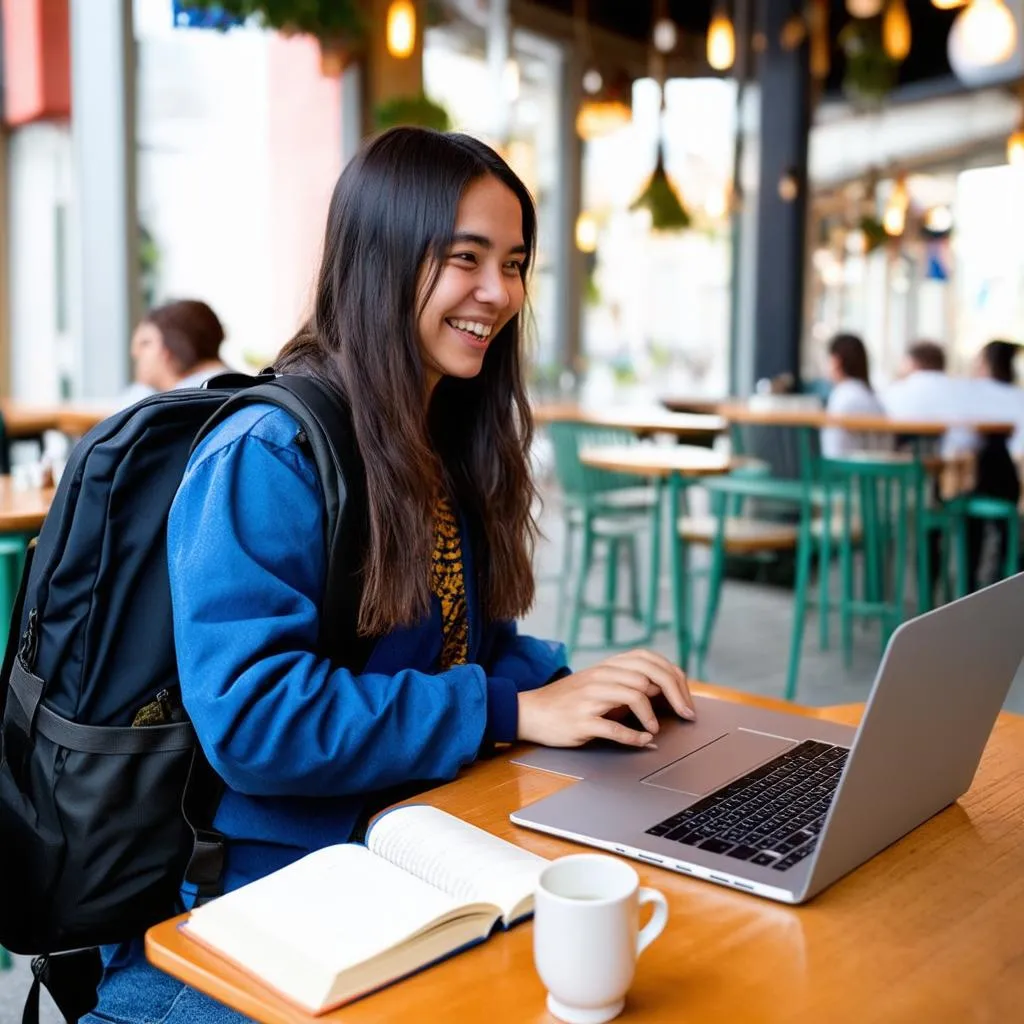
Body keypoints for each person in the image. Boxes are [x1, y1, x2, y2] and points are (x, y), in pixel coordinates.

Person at [82, 128, 694, 1023]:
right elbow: (254, 720)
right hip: (251, 913)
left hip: (404, 853)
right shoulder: (271, 453)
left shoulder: (439, 440)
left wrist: (576, 687)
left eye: (516, 263)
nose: (501, 294)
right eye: (466, 260)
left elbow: (461, 652)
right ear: (383, 261)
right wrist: (510, 709)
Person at [118, 299, 229, 407]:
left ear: (171, 347)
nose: (135, 352)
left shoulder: (190, 400)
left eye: (145, 343)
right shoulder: (234, 388)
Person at [819, 333, 887, 458]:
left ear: (836, 361)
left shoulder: (843, 395)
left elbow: (833, 450)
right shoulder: (869, 396)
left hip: (845, 471)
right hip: (874, 472)